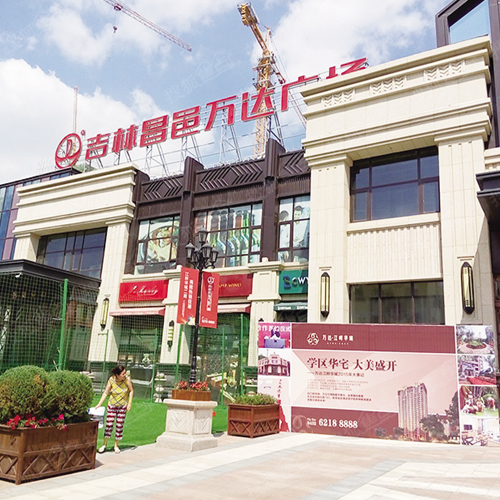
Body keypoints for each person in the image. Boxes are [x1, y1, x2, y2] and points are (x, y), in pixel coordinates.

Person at [95, 364, 134, 454]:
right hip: (112, 405)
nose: (125, 375)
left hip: (122, 406)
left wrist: (129, 403)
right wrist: (99, 404)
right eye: (123, 374)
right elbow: (106, 392)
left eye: (125, 373)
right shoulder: (111, 380)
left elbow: (131, 390)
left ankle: (116, 445)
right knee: (109, 425)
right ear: (117, 375)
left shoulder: (127, 380)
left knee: (119, 426)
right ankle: (104, 444)